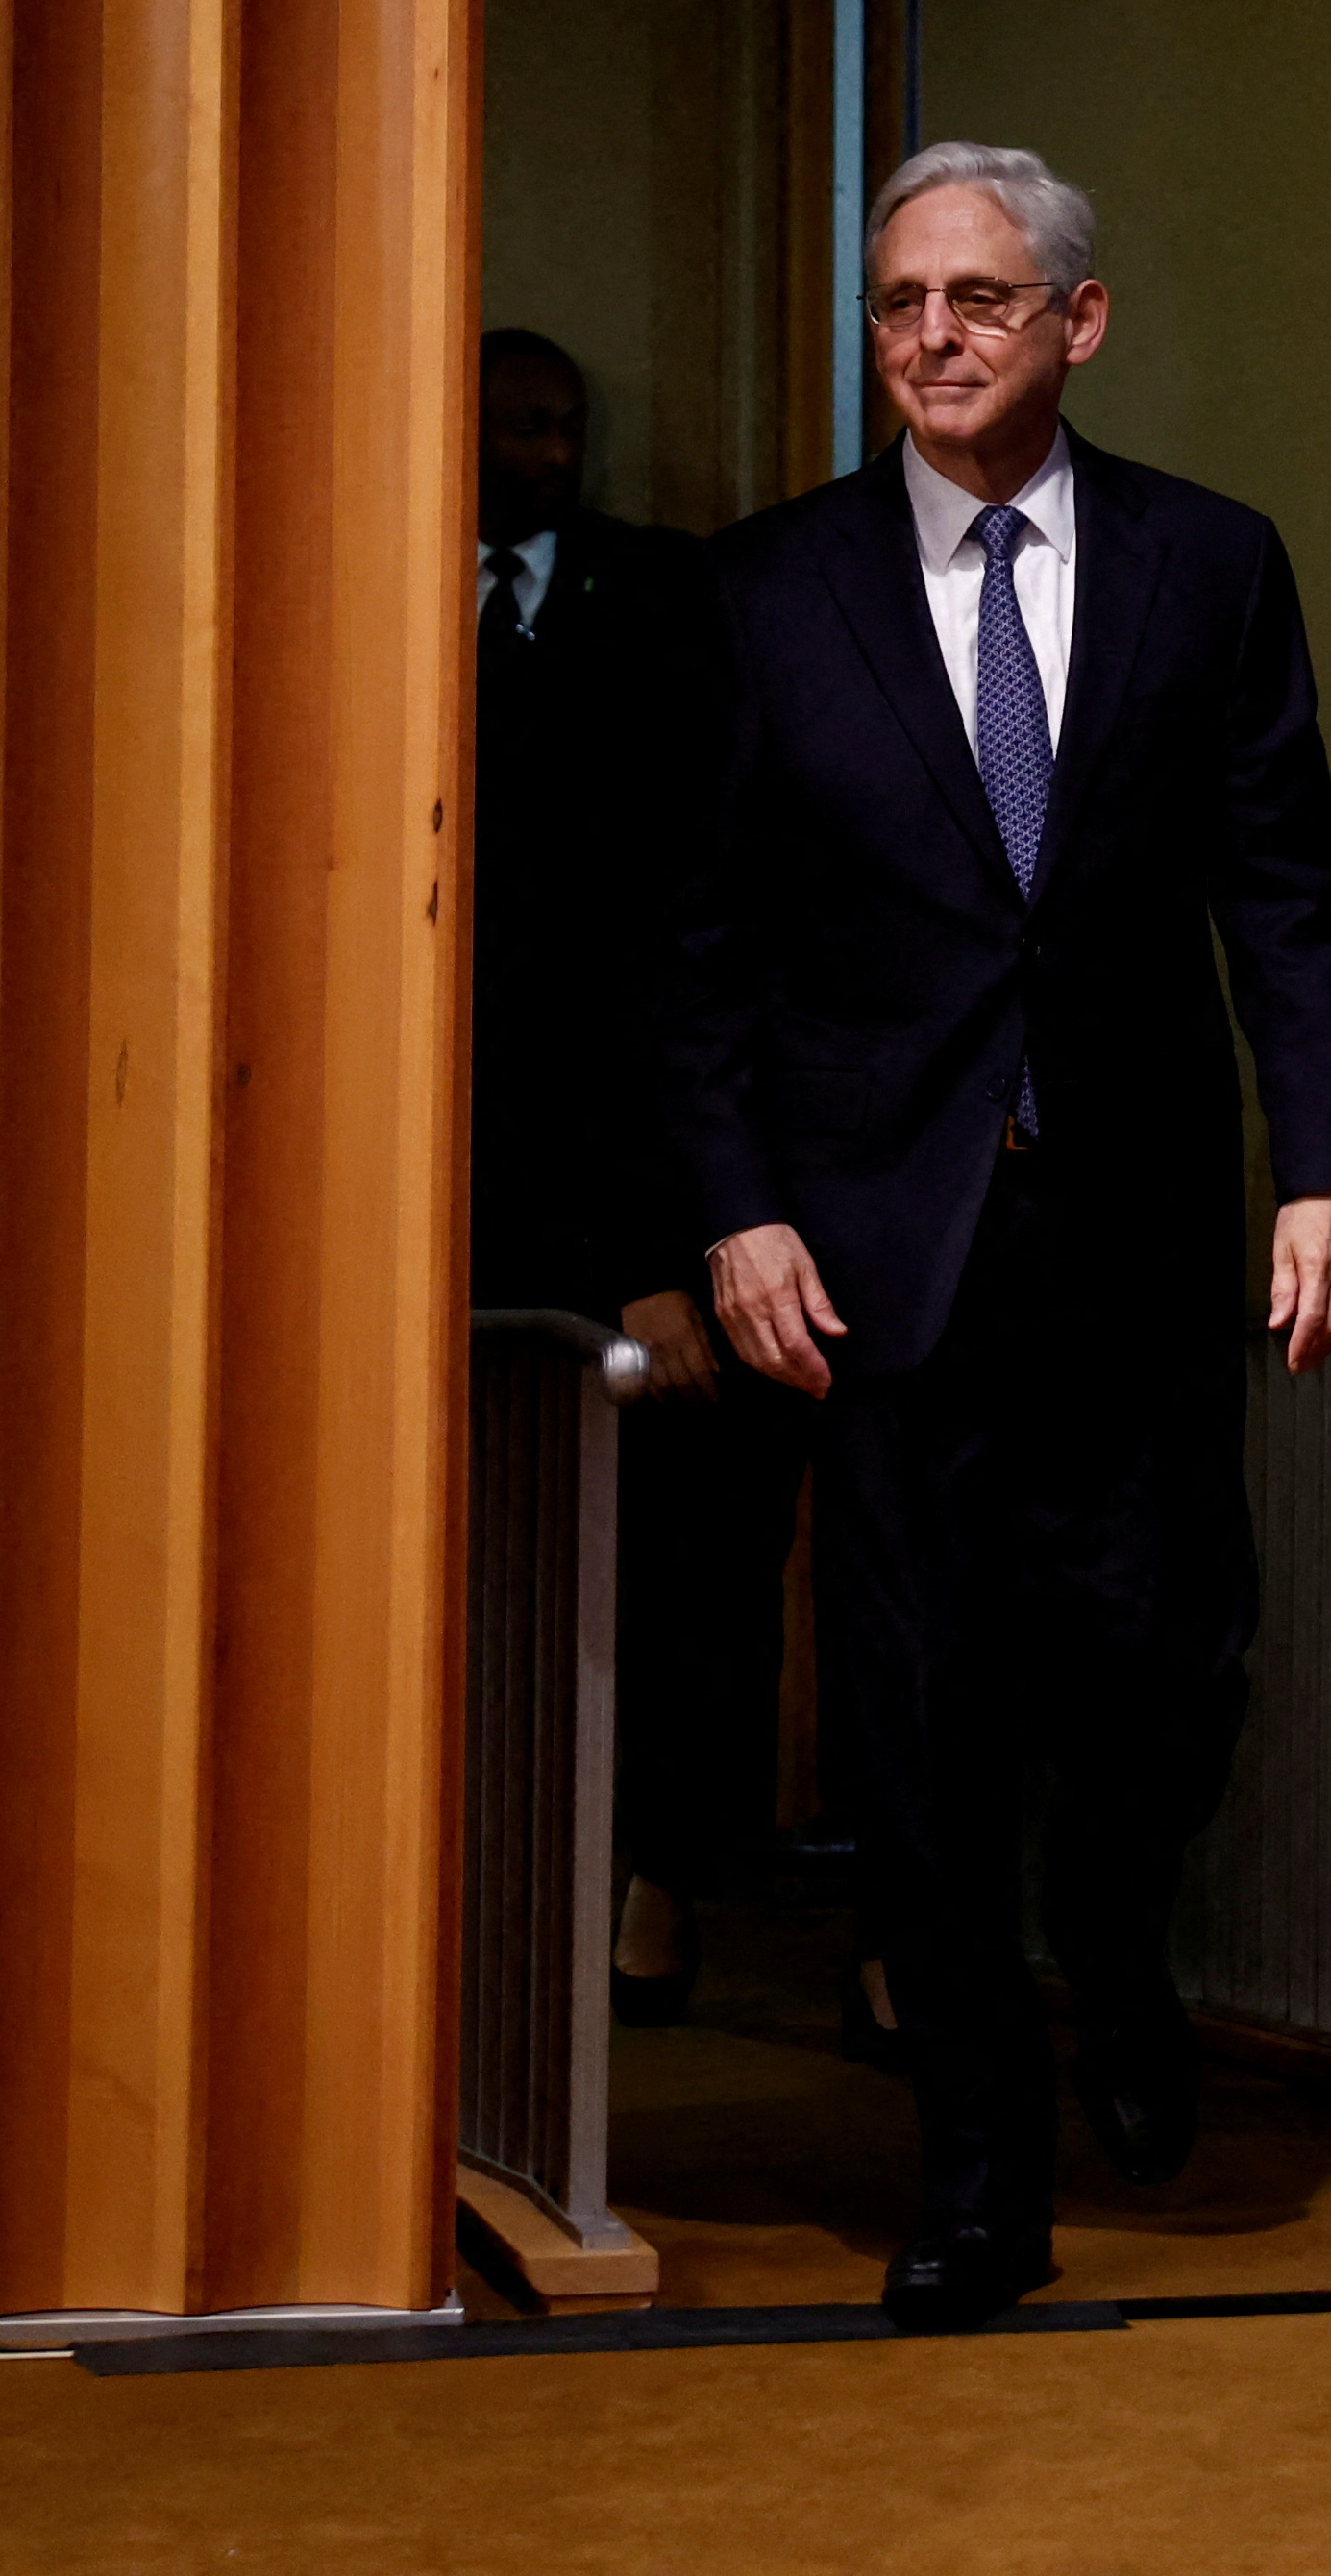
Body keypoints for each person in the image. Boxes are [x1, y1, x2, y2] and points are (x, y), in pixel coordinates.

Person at [663, 140, 1331, 2330]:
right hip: (880, 1258)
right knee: (920, 1732)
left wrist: (1327, 1163)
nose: (932, 337)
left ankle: (1127, 1933)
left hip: (1141, 1238)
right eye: (900, 303)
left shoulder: (1209, 565)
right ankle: (982, 2177)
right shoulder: (767, 591)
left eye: (978, 298)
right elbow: (696, 943)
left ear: (1078, 320)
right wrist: (737, 1205)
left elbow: (1286, 892)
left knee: (1170, 1671)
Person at [461, 332, 776, 2023]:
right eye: (519, 421)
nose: (549, 447)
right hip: (447, 1150)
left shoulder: (660, 598)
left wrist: (664, 1229)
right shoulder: (367, 577)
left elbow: (669, 930)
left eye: (569, 422)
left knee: (667, 1563)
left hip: (613, 1144)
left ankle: (655, 1875)